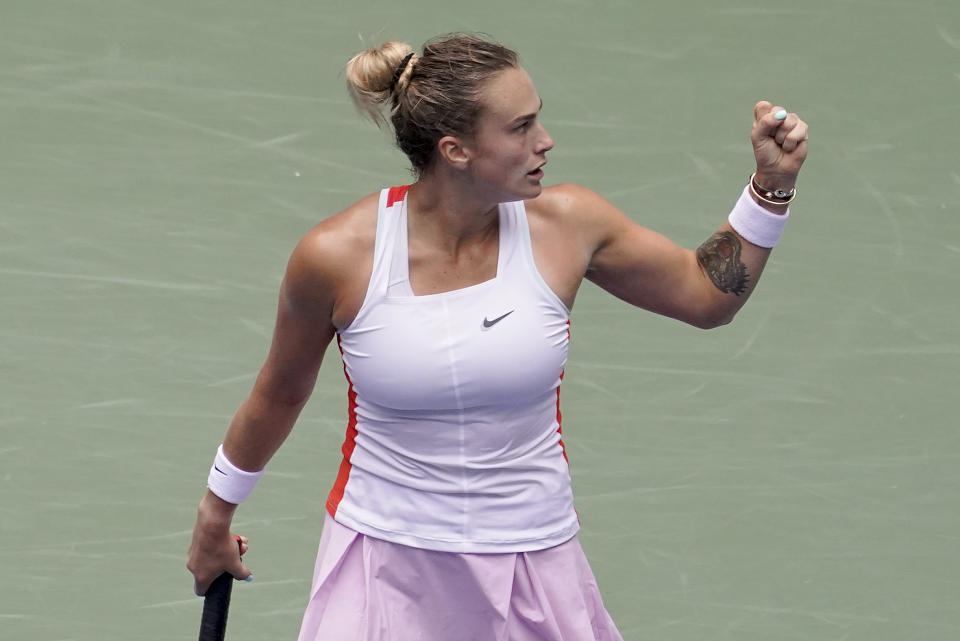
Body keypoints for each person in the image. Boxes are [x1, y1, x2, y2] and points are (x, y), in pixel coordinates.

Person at [187, 33, 809, 641]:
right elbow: (279, 393)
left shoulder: (568, 225)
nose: (545, 141)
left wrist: (770, 188)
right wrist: (216, 515)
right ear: (455, 150)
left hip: (534, 564)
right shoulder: (336, 257)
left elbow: (707, 296)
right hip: (386, 566)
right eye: (520, 128)